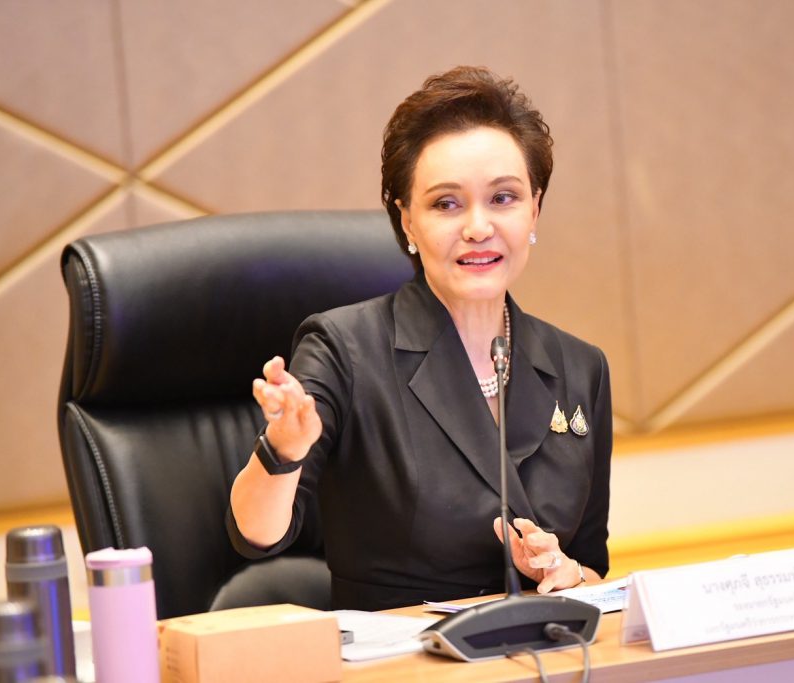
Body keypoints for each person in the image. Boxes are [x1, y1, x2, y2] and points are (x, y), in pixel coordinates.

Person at [227, 66, 612, 611]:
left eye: (503, 198)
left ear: (535, 209)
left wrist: (566, 574)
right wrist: (282, 450)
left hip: (539, 646)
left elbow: (593, 565)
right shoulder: (344, 349)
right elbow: (255, 533)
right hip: (400, 651)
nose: (478, 227)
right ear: (407, 221)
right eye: (446, 204)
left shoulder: (580, 368)